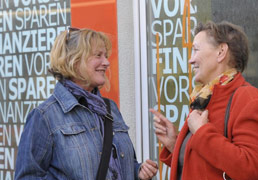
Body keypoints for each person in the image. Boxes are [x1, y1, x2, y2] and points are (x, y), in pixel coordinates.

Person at [15, 27, 158, 180]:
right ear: (75, 62)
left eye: (106, 56)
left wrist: (138, 172)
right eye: (98, 55)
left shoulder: (110, 108)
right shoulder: (45, 116)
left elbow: (117, 165)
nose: (107, 62)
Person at [151, 21, 258, 180]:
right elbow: (206, 165)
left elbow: (251, 169)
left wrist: (203, 133)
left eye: (196, 50)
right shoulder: (205, 97)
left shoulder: (248, 99)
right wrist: (175, 145)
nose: (191, 60)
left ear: (221, 52)